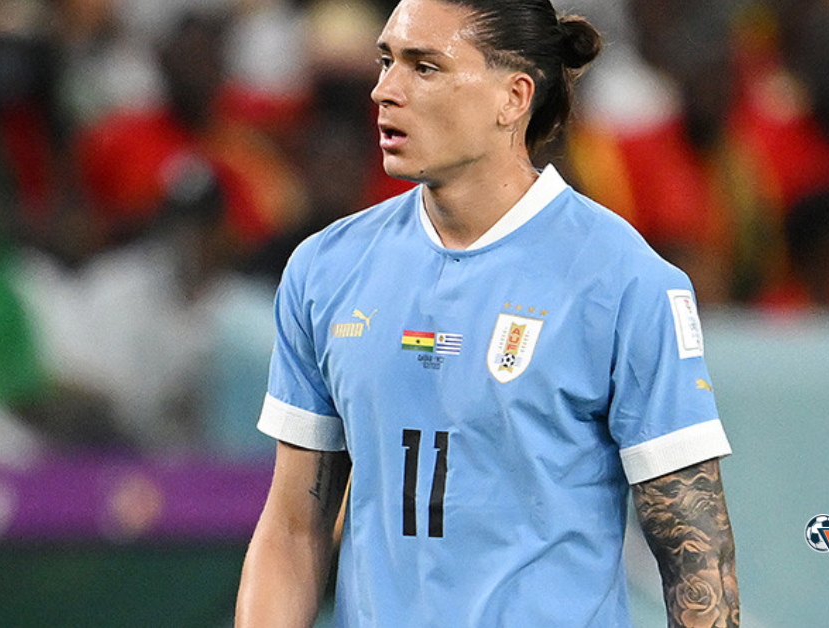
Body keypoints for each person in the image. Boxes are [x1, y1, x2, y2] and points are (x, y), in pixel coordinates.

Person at [236, 1, 738, 627]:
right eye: (387, 61)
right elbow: (293, 529)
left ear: (513, 97)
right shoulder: (325, 270)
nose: (384, 90)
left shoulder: (625, 282)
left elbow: (696, 557)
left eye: (425, 67)